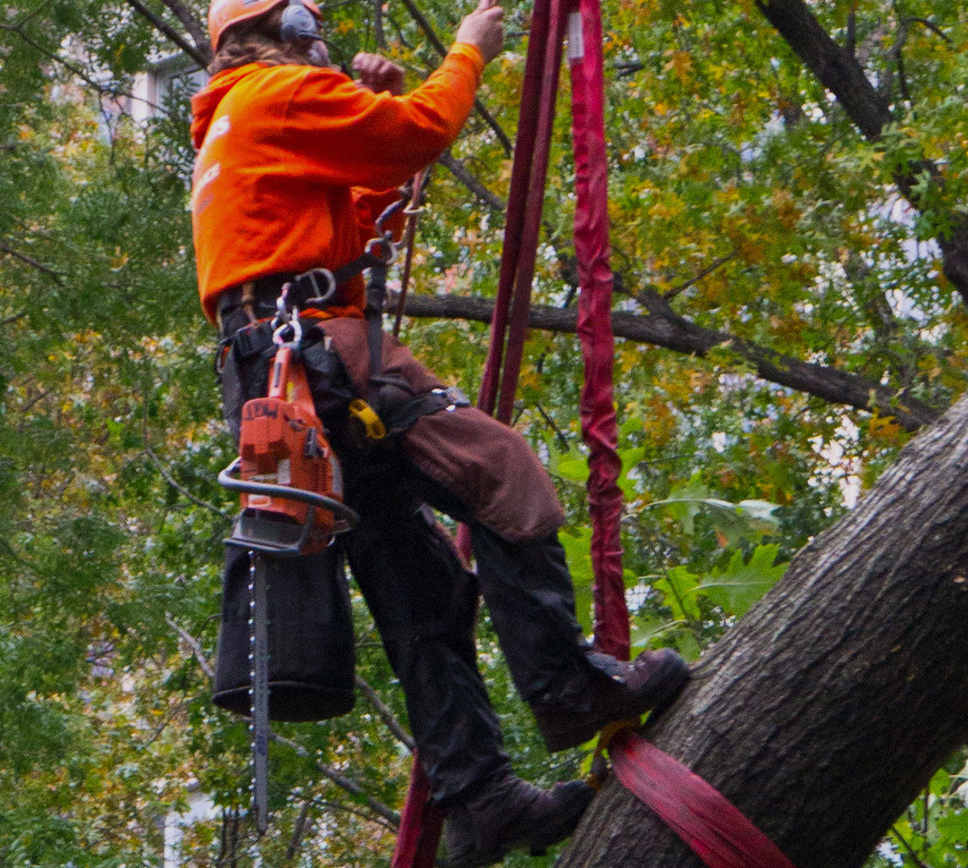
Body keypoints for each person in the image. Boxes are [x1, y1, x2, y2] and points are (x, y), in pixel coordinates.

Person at [190, 0, 691, 864]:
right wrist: (467, 52)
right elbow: (418, 133)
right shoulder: (273, 91)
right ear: (269, 27)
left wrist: (374, 113)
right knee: (501, 472)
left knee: (418, 583)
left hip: (271, 373)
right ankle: (566, 686)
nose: (323, 29)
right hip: (319, 353)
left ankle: (480, 797)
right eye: (307, 12)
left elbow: (351, 215)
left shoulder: (238, 116)